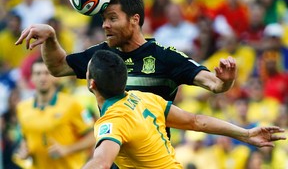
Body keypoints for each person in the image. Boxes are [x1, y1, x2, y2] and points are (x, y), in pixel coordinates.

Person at [15, 0, 236, 141]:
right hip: (115, 157)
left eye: (112, 18)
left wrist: (225, 81)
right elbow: (58, 67)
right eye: (103, 19)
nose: (105, 25)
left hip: (153, 158)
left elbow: (215, 85)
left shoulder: (165, 57)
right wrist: (51, 38)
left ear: (135, 19)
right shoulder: (102, 55)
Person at [82, 50, 286, 169]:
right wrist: (245, 134)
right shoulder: (144, 98)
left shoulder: (112, 121)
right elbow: (196, 121)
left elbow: (101, 163)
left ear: (92, 84)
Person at [14, 57, 95, 169]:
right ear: (31, 78)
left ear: (56, 77)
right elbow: (25, 138)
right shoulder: (22, 108)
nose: (42, 78)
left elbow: (93, 137)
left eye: (46, 73)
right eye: (38, 73)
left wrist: (67, 149)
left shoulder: (72, 105)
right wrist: (24, 151)